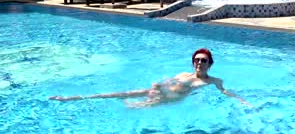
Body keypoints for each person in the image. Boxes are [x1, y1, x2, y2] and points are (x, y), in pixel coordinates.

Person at [49, 48, 251, 108]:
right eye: (197, 60)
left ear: (210, 63)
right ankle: (71, 98)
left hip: (172, 98)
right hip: (163, 91)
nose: (199, 63)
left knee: (134, 106)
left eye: (204, 61)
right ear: (193, 62)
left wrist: (242, 101)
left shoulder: (213, 81)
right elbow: (169, 82)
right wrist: (158, 86)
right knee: (117, 94)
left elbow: (225, 93)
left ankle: (141, 104)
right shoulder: (182, 74)